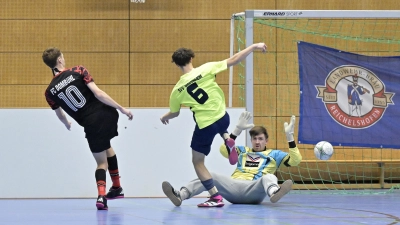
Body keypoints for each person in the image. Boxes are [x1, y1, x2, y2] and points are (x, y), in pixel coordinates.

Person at [160, 43, 267, 207]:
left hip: (206, 125)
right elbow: (234, 60)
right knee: (219, 123)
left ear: (176, 64)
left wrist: (164, 117)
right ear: (191, 58)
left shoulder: (177, 90)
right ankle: (227, 138)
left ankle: (215, 197)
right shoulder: (207, 68)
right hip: (223, 117)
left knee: (197, 162)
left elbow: (175, 113)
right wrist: (253, 46)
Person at [42, 47, 133, 210]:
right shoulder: (78, 70)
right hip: (107, 113)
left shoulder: (49, 92)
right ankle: (117, 187)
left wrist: (67, 123)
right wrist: (121, 108)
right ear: (60, 60)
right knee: (107, 147)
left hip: (91, 123)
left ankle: (101, 196)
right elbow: (98, 94)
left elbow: (61, 115)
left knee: (100, 163)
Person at [162, 112, 302, 206]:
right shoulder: (243, 151)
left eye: (260, 139)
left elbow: (295, 160)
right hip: (233, 188)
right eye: (254, 139)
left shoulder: (275, 154)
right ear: (251, 140)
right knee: (210, 175)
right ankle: (181, 195)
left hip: (254, 190)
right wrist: (236, 131)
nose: (257, 142)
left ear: (267, 141)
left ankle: (274, 193)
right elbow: (224, 150)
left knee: (269, 177)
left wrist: (290, 138)